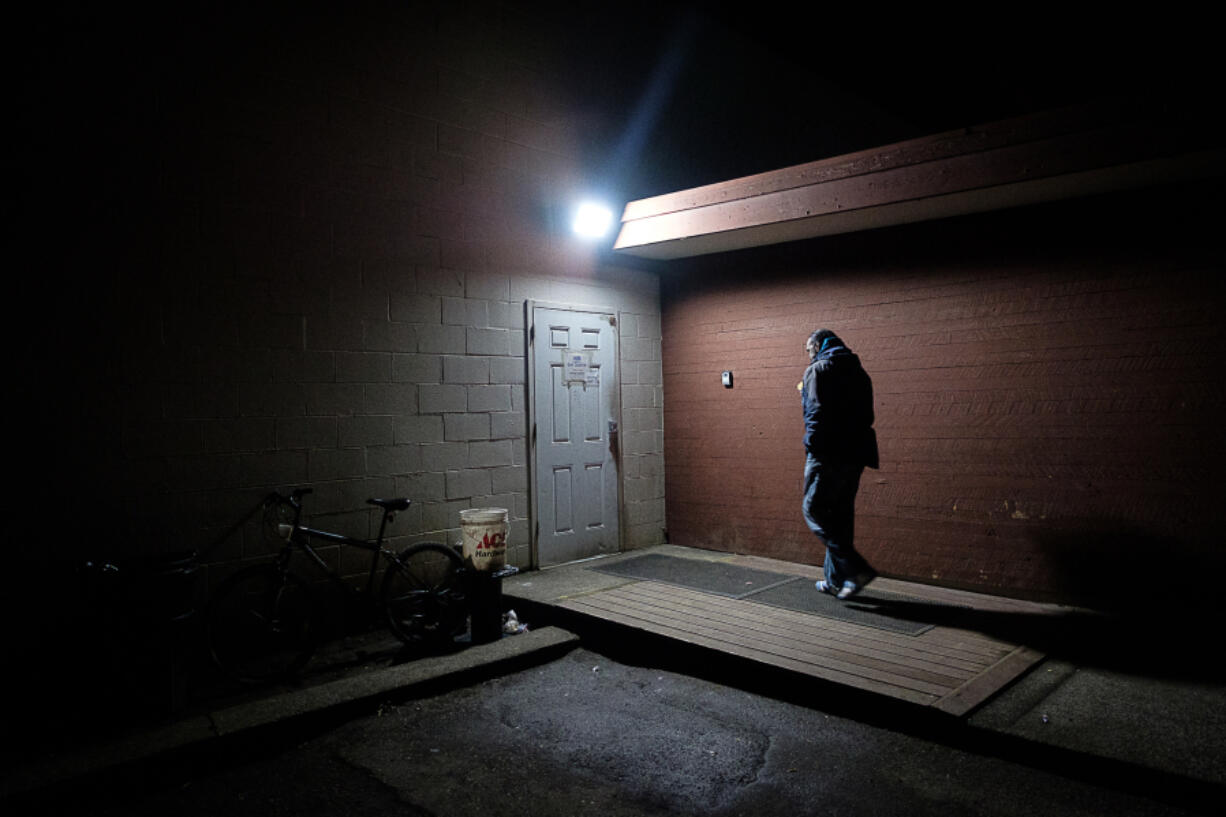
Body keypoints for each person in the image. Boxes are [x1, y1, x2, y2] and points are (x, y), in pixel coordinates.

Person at [800, 329, 880, 600]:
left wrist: (813, 448)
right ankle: (835, 581)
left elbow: (815, 413)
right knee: (841, 515)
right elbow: (868, 415)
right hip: (856, 454)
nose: (808, 355)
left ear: (819, 345)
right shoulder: (860, 373)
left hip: (827, 453)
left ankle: (855, 568)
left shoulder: (818, 370)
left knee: (813, 510)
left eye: (809, 349)